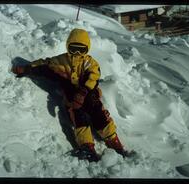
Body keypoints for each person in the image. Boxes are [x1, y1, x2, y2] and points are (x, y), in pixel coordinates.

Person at [12, 28, 129, 162]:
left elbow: (94, 77)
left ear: (87, 49)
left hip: (89, 93)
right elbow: (44, 64)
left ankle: (113, 141)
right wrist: (27, 69)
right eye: (74, 48)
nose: (77, 53)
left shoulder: (89, 63)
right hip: (72, 97)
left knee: (97, 111)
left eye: (81, 49)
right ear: (68, 47)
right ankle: (87, 146)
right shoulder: (62, 61)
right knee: (77, 112)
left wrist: (83, 92)